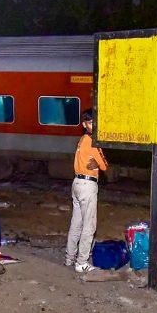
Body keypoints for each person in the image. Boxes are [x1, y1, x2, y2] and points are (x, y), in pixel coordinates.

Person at [67, 109, 108, 273]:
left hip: (77, 183)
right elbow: (104, 165)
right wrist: (98, 164)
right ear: (84, 124)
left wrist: (96, 163)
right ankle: (82, 262)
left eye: (95, 122)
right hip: (87, 185)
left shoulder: (82, 139)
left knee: (76, 224)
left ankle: (70, 257)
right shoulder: (92, 141)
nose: (94, 125)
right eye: (91, 122)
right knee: (89, 226)